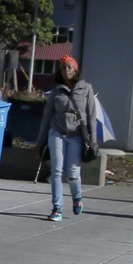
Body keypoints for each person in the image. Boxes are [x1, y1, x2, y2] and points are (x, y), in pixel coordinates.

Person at [36, 55, 99, 221]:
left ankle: (77, 197)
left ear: (75, 70)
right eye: (63, 68)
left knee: (72, 174)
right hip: (57, 132)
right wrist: (40, 142)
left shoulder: (86, 89)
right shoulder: (56, 91)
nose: (66, 70)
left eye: (69, 67)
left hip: (77, 135)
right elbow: (46, 117)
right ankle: (57, 209)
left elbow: (92, 115)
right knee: (56, 171)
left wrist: (93, 139)